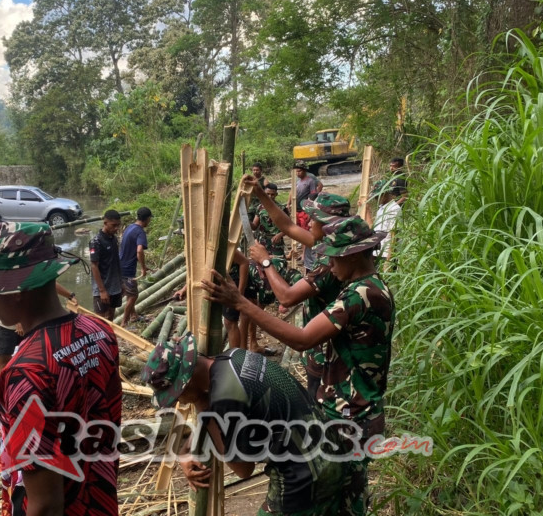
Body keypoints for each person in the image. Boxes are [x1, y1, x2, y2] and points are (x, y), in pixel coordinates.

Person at [202, 216, 395, 515]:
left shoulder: (362, 294)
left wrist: (240, 303)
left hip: (352, 416)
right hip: (351, 411)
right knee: (340, 496)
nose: (329, 266)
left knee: (347, 498)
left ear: (354, 255)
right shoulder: (368, 286)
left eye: (334, 258)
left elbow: (303, 338)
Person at [0, 222, 121, 516]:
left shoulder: (27, 372)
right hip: (99, 498)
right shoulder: (98, 331)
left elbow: (44, 505)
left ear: (17, 290)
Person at [142, 333, 347, 516]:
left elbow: (242, 469)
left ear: (186, 382)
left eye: (177, 395)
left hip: (305, 478)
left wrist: (200, 403)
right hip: (332, 450)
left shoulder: (225, 398)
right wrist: (186, 450)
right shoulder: (233, 357)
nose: (181, 401)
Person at [244, 182, 352, 399]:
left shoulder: (328, 264)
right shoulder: (334, 243)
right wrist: (260, 193)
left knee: (319, 403)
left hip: (325, 351)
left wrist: (266, 262)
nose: (309, 221)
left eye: (314, 218)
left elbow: (287, 297)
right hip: (327, 343)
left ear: (328, 223)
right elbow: (288, 227)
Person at [119, 207, 152, 327]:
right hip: (127, 269)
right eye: (149, 219)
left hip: (120, 265)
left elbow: (129, 249)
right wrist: (143, 268)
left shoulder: (129, 227)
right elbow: (139, 251)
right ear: (147, 219)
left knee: (129, 293)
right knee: (133, 296)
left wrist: (145, 265)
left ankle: (134, 316)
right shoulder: (140, 232)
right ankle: (124, 323)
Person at [90, 210, 123, 320]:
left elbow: (115, 262)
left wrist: (120, 283)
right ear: (105, 223)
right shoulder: (96, 241)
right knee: (100, 320)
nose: (116, 228)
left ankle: (110, 337)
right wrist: (102, 290)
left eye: (118, 225)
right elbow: (94, 266)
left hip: (115, 287)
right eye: (113, 225)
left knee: (110, 317)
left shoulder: (113, 238)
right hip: (102, 289)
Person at [370, 180, 402, 261]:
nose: (376, 199)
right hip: (378, 252)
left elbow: (394, 234)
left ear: (385, 194)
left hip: (386, 254)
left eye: (377, 196)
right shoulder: (381, 209)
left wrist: (389, 258)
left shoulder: (394, 209)